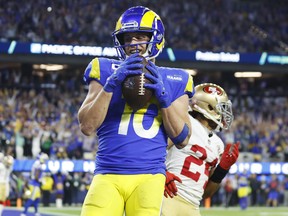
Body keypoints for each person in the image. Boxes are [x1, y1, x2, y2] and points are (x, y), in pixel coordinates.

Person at [78, 5, 194, 216]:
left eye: (140, 37)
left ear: (156, 38)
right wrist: (110, 85)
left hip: (149, 177)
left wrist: (164, 99)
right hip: (107, 173)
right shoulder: (105, 69)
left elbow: (182, 138)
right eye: (127, 39)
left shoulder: (176, 79)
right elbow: (87, 126)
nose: (132, 44)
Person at [161, 83, 239, 216]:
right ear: (209, 107)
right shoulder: (185, 122)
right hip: (167, 199)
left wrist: (222, 169)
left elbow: (207, 193)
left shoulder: (217, 143)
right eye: (222, 107)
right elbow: (156, 151)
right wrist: (161, 171)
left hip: (193, 207)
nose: (224, 113)